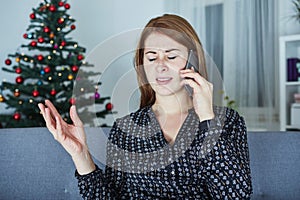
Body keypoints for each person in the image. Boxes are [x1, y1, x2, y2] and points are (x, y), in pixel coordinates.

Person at [38, 14, 252, 199]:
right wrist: (81, 155)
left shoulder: (227, 121)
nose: (160, 65)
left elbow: (236, 195)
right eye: (151, 57)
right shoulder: (126, 128)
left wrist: (207, 116)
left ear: (191, 61)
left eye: (171, 56)